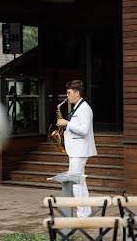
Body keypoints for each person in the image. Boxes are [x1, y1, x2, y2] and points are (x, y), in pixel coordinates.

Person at [56, 79, 97, 218]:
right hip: (76, 150)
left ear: (77, 93)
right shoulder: (79, 107)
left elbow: (84, 130)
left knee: (75, 182)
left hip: (79, 151)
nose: (67, 96)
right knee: (80, 182)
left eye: (69, 93)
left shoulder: (84, 109)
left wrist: (66, 123)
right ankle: (85, 213)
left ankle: (83, 214)